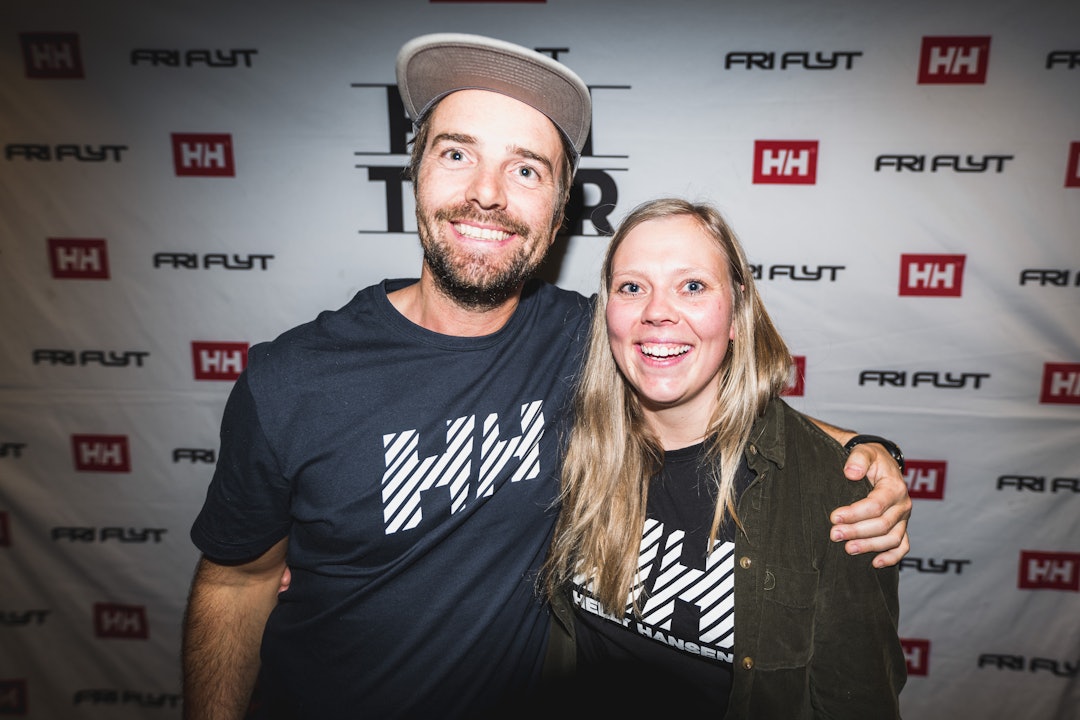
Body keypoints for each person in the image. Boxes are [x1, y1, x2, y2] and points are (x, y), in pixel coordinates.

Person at [181, 34, 910, 720]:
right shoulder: (291, 379)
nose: (489, 194)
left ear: (561, 211)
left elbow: (711, 382)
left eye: (526, 168)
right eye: (458, 154)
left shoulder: (587, 336)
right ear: (415, 172)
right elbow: (235, 581)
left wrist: (864, 456)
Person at [541, 198, 906, 718]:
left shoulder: (836, 496)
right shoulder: (572, 445)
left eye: (692, 286)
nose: (658, 311)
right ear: (607, 312)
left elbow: (859, 701)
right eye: (632, 287)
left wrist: (864, 453)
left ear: (736, 312)